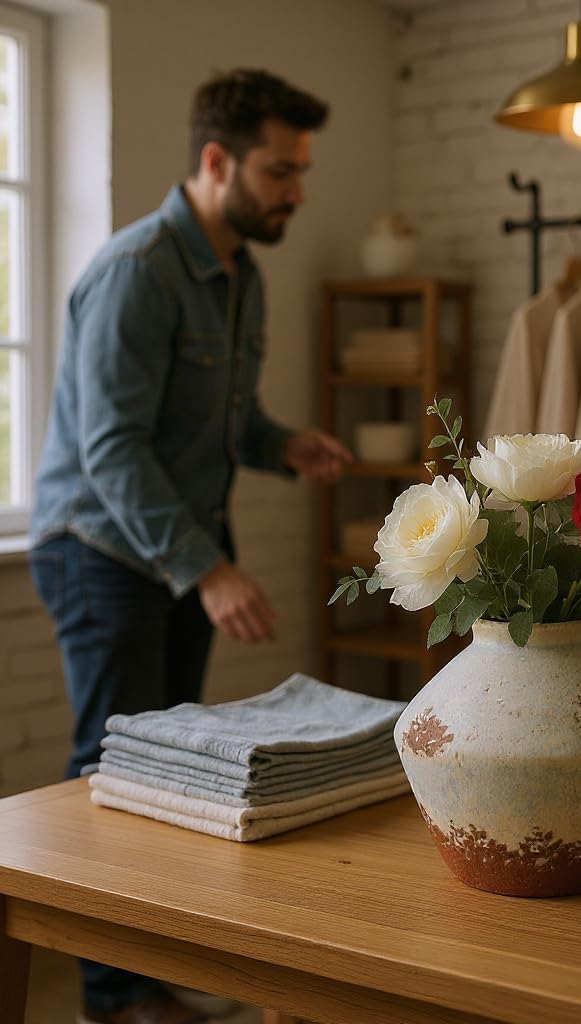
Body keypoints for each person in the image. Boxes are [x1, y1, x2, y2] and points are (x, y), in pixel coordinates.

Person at [29, 69, 351, 1024]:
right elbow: (112, 451)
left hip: (175, 545)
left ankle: (140, 973)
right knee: (112, 769)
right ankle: (108, 1000)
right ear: (216, 161)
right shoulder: (137, 272)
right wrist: (205, 569)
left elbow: (224, 421)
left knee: (167, 770)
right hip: (100, 550)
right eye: (279, 170)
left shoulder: (238, 272)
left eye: (300, 170)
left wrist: (279, 444)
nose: (297, 190)